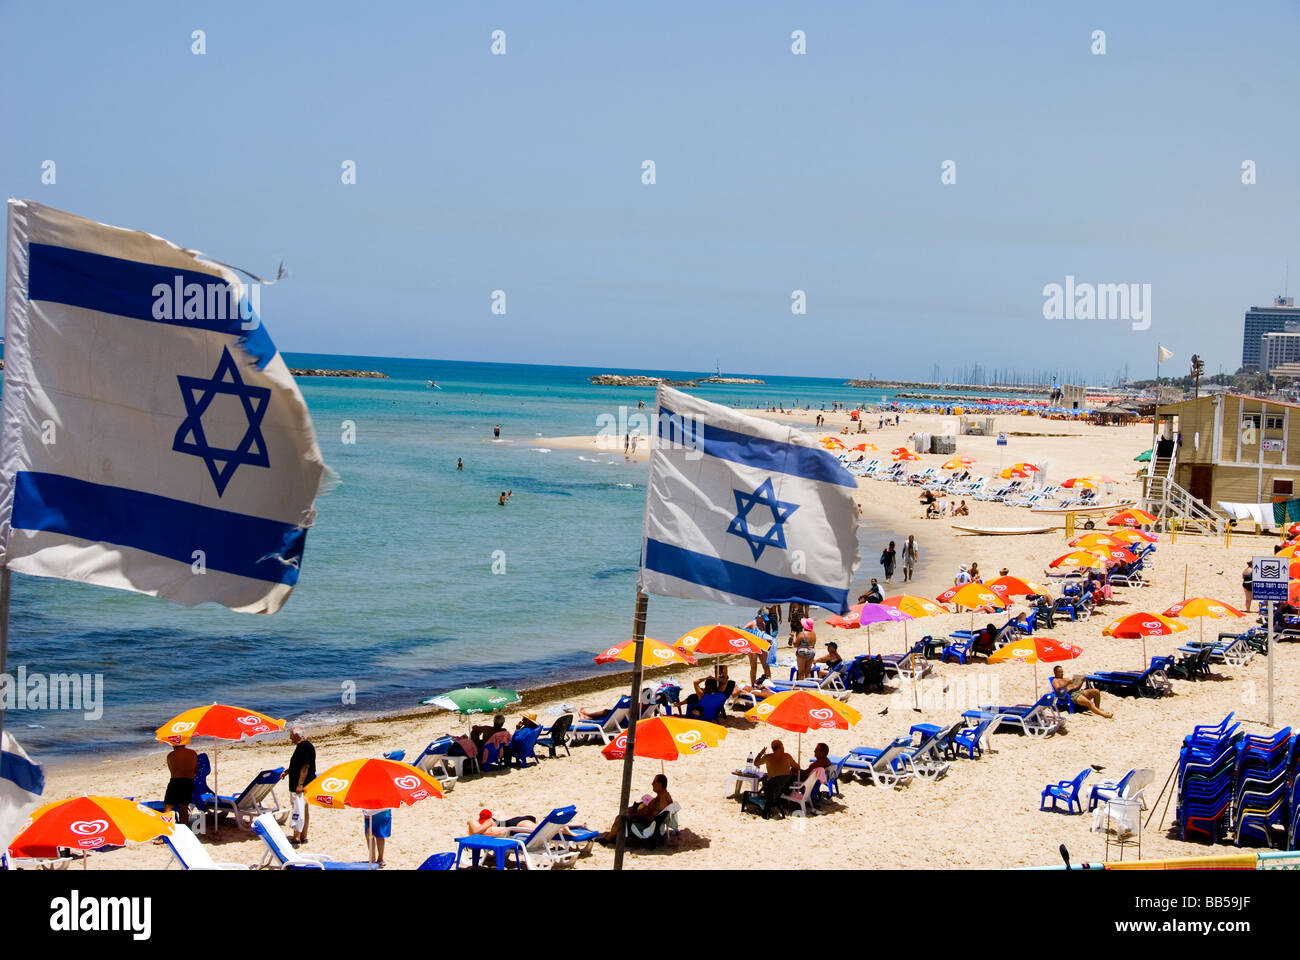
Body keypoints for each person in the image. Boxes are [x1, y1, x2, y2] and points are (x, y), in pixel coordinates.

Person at [596, 774, 673, 844]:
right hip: (650, 822)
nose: (652, 784)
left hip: (645, 825)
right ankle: (611, 836)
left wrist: (634, 814)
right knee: (626, 812)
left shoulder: (661, 801)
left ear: (660, 784)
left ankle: (607, 840)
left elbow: (649, 816)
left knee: (620, 818)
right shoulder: (665, 796)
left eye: (654, 782)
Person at [282, 726, 316, 844]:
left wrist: (300, 784)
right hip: (307, 784)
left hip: (302, 785)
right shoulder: (305, 746)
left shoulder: (303, 747)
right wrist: (287, 771)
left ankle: (297, 837)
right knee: (304, 809)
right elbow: (298, 764)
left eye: (291, 736)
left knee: (298, 809)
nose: (290, 738)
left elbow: (305, 766)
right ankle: (303, 835)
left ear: (297, 735)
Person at [162, 740, 198, 830]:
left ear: (173, 744)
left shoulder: (170, 755)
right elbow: (196, 770)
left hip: (175, 781)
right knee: (183, 808)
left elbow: (172, 771)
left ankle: (165, 833)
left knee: (168, 807)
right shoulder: (193, 753)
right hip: (188, 782)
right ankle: (184, 830)